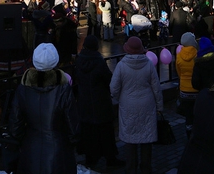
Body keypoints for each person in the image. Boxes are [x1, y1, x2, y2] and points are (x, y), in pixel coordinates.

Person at [10, 43, 79, 174]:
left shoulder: (23, 89)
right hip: (58, 150)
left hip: (31, 149)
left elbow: (15, 124)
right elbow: (73, 125)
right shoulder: (64, 90)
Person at [110, 36, 163, 174]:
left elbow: (113, 88)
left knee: (130, 139)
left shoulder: (121, 65)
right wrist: (159, 106)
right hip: (147, 104)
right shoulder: (149, 64)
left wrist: (120, 97)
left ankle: (131, 169)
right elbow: (156, 87)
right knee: (147, 138)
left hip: (128, 105)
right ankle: (146, 169)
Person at [74, 36, 124, 170]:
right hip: (100, 100)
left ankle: (90, 157)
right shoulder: (98, 61)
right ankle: (110, 157)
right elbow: (108, 79)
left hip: (85, 101)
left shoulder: (79, 61)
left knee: (88, 130)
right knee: (106, 131)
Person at [175, 32, 199, 139]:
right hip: (196, 88)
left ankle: (189, 132)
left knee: (188, 113)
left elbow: (178, 71)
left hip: (184, 89)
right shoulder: (197, 54)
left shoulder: (179, 56)